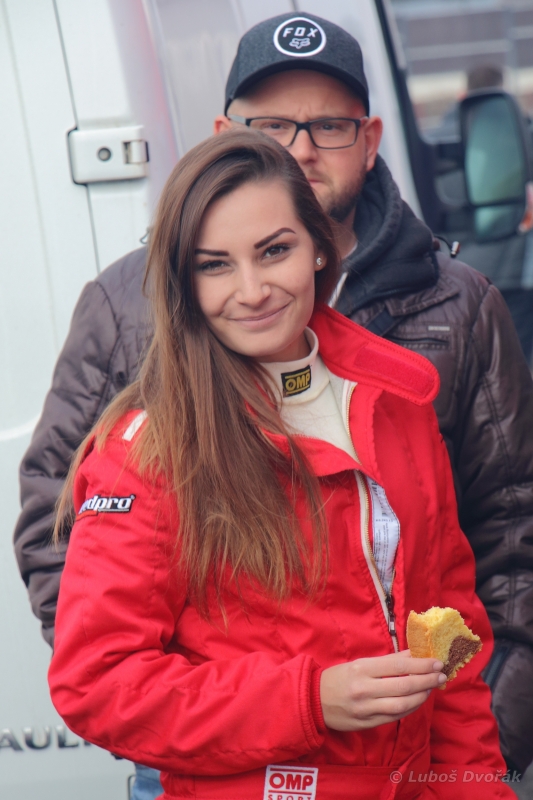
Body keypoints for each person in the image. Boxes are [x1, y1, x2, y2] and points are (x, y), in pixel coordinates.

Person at [14, 12, 533, 790]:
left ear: (315, 247)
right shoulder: (134, 377)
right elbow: (90, 632)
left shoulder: (402, 385)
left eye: (326, 124)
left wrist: (473, 774)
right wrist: (225, 713)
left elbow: (466, 592)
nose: (251, 289)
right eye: (213, 265)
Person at [428, 64, 533, 364]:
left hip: (457, 277)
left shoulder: (437, 140)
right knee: (512, 365)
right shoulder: (520, 135)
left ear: (463, 94)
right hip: (513, 276)